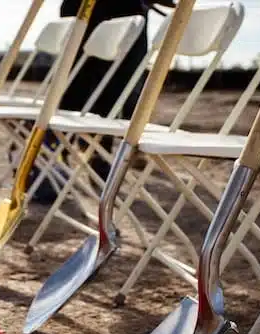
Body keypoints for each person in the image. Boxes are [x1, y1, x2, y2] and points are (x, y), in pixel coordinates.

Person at [26, 0, 174, 204]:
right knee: (75, 87)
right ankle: (54, 161)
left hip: (126, 14)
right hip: (87, 9)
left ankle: (96, 156)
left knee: (113, 90)